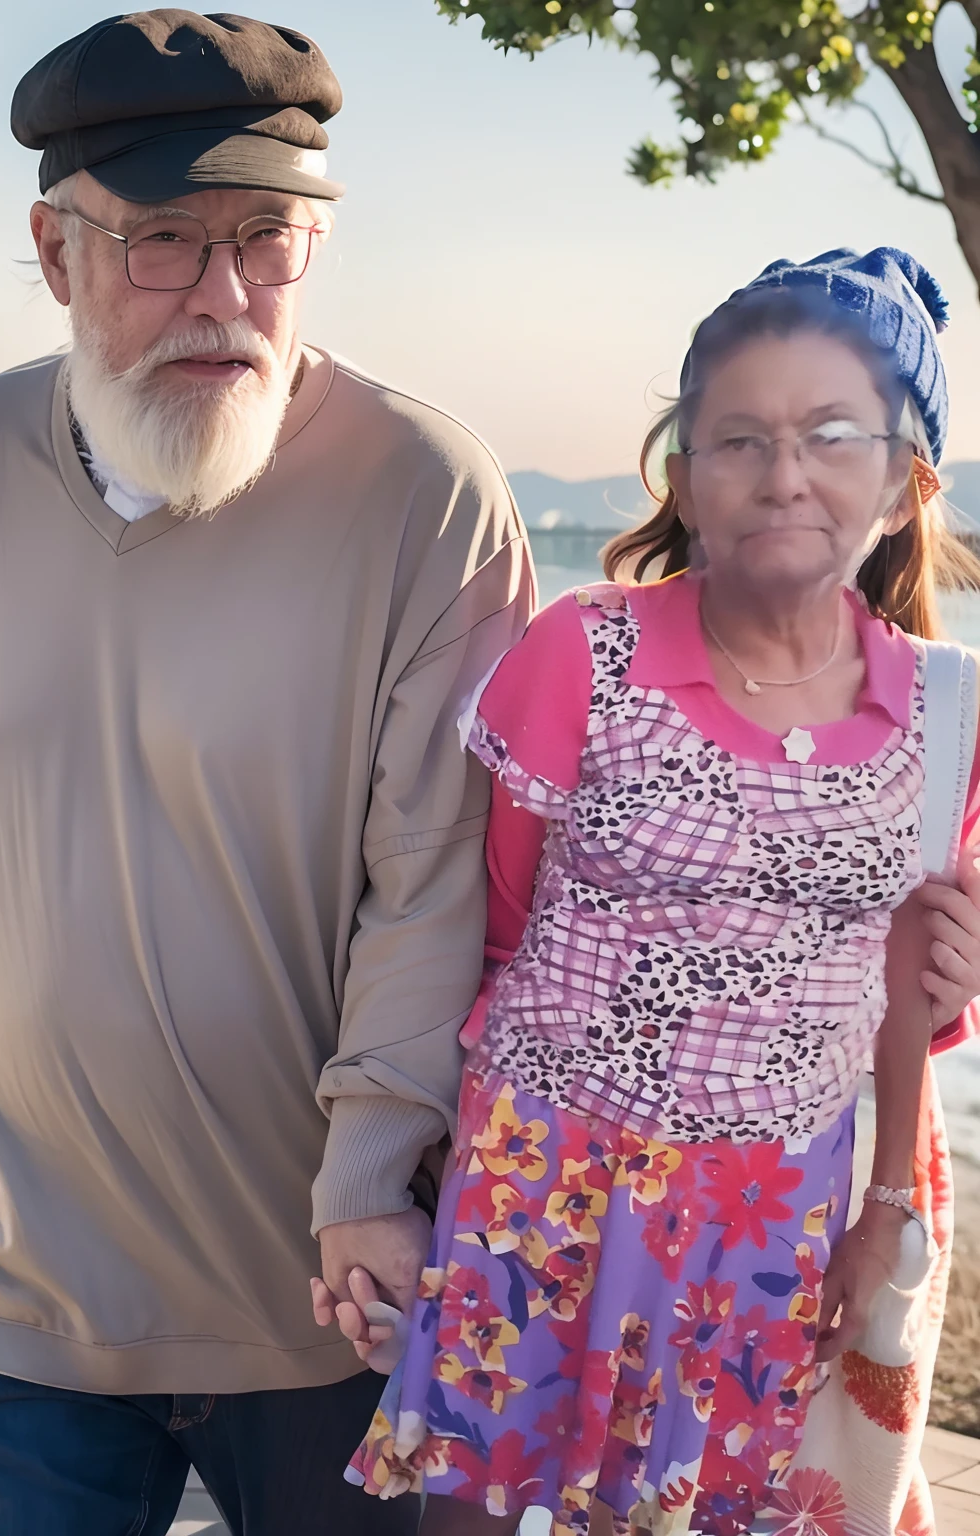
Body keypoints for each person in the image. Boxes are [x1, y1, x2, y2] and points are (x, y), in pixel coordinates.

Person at [0, 12, 533, 1535]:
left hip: (327, 1306)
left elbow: (432, 890)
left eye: (266, 240)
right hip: (3, 1304)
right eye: (161, 242)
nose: (222, 297)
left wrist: (365, 1185)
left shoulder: (430, 495)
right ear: (55, 248)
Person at [335, 249, 980, 1535]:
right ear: (685, 473)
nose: (784, 473)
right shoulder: (584, 650)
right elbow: (497, 921)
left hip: (773, 1200)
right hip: (542, 1169)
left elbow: (910, 992)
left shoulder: (951, 705)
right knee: (479, 1509)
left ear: (910, 484)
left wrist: (885, 1213)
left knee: (711, 1508)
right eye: (739, 434)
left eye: (833, 432)